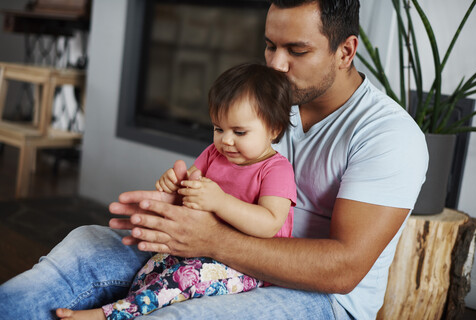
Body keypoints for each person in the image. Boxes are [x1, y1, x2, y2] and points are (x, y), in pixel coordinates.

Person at [0, 1, 429, 319]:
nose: (276, 66)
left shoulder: (388, 136)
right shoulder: (264, 105)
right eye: (269, 46)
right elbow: (213, 184)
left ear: (346, 51)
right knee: (84, 247)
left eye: (296, 51)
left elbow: (343, 270)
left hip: (318, 298)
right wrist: (168, 212)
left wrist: (211, 239)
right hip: (214, 253)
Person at [55, 63, 297, 320]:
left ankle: (109, 315)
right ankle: (131, 306)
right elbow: (189, 187)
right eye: (218, 128)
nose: (226, 140)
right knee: (155, 266)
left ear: (274, 129)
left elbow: (269, 224)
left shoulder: (276, 170)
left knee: (184, 278)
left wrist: (220, 201)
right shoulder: (215, 153)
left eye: (239, 132)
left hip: (249, 267)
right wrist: (175, 184)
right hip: (202, 249)